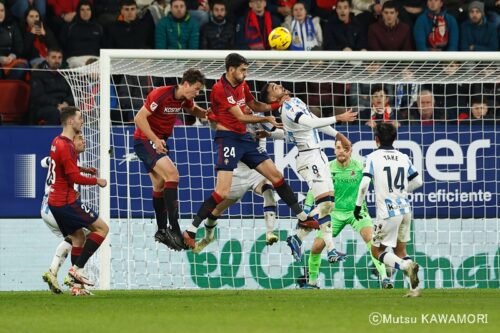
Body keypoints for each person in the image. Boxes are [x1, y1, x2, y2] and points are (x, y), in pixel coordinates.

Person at [182, 53, 318, 249]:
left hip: (245, 140)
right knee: (221, 192)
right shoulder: (221, 89)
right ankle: (191, 230)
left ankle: (302, 217)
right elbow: (241, 117)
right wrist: (266, 119)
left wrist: (276, 105)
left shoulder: (241, 85)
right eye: (242, 70)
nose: (245, 74)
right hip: (228, 139)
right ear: (231, 69)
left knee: (276, 176)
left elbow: (254, 105)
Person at [259, 81, 357, 263]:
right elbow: (311, 122)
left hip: (318, 156)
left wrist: (337, 135)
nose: (279, 86)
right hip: (308, 158)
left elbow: (312, 123)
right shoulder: (287, 108)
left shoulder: (295, 101)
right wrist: (339, 117)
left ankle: (297, 237)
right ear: (273, 98)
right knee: (325, 203)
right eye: (274, 88)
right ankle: (331, 250)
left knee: (328, 205)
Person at [133, 68, 208, 251]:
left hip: (160, 142)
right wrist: (155, 140)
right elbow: (139, 118)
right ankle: (175, 229)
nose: (197, 93)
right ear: (186, 84)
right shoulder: (160, 94)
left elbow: (195, 110)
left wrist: (210, 114)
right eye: (196, 89)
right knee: (173, 175)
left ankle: (161, 230)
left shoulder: (184, 99)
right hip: (145, 140)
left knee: (159, 184)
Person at [302, 139, 392, 289]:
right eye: (338, 148)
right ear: (334, 150)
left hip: (356, 212)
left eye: (345, 148)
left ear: (350, 151)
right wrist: (306, 208)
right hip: (334, 214)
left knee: (371, 240)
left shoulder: (360, 166)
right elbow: (314, 188)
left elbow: (379, 180)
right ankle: (312, 283)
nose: (341, 151)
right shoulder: (327, 168)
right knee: (316, 247)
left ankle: (385, 279)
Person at [193, 109, 285, 253]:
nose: (248, 108)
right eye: (244, 105)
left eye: (249, 105)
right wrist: (211, 117)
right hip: (237, 172)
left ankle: (269, 232)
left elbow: (282, 133)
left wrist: (269, 134)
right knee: (216, 210)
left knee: (269, 191)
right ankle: (208, 237)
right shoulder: (231, 120)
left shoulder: (260, 118)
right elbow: (213, 126)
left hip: (257, 169)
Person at [354, 122, 423, 297]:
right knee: (401, 251)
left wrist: (357, 205)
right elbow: (418, 182)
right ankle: (414, 290)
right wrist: (401, 191)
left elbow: (364, 184)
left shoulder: (372, 157)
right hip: (405, 209)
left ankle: (406, 266)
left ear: (376, 139)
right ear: (395, 138)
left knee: (377, 251)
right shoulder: (403, 156)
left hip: (388, 212)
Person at [47, 106, 108, 296]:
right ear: (71, 121)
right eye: (80, 118)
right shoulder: (67, 146)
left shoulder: (57, 141)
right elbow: (74, 178)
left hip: (54, 203)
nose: (83, 121)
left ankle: (76, 287)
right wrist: (96, 181)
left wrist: (84, 170)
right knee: (102, 229)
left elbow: (65, 171)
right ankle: (76, 270)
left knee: (79, 238)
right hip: (66, 202)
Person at [41, 131, 95, 294]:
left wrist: (82, 168)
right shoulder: (69, 167)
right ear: (71, 142)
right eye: (79, 138)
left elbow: (44, 161)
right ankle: (75, 281)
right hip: (55, 208)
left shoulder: (59, 158)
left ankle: (54, 272)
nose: (83, 141)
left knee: (75, 236)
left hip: (45, 208)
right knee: (81, 235)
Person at [29, 48, 75, 124]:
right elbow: (38, 96)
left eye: (59, 58)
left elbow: (73, 92)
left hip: (64, 105)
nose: (57, 60)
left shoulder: (66, 74)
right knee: (54, 113)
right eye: (53, 57)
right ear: (47, 58)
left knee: (77, 112)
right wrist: (57, 104)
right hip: (44, 107)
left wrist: (66, 103)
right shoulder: (38, 73)